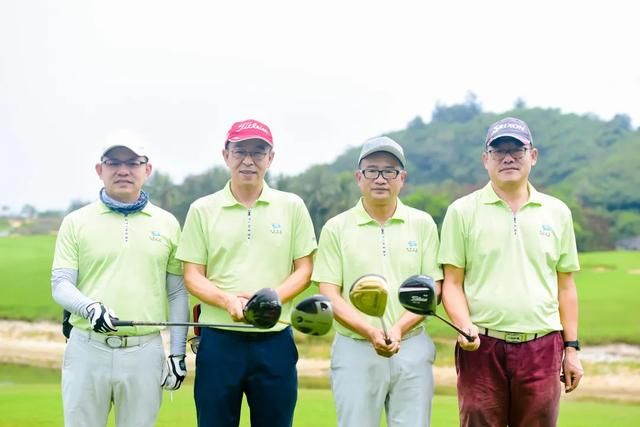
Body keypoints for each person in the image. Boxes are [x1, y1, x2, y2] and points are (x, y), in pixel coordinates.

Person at [439, 117, 584, 426]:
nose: (508, 158)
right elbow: (452, 283)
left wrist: (571, 349)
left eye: (517, 151)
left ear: (533, 156)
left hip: (542, 345)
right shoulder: (462, 211)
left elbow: (566, 285)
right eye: (499, 151)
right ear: (485, 159)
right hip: (481, 344)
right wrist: (463, 325)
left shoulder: (557, 212)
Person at [176, 119, 317, 427]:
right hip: (219, 342)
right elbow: (192, 275)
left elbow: (304, 269)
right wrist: (227, 301)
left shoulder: (291, 206)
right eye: (240, 151)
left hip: (274, 340)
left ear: (271, 158)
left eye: (258, 152)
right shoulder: (203, 209)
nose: (248, 160)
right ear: (225, 155)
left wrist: (268, 299)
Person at [51, 130, 190, 427]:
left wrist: (177, 354)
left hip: (144, 351)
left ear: (147, 170)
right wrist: (89, 307)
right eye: (114, 163)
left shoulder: (167, 224)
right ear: (100, 170)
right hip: (87, 348)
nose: (124, 170)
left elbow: (177, 293)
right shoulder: (76, 222)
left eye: (133, 162)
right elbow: (61, 283)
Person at [312, 136, 443, 427]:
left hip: (410, 345)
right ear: (359, 177)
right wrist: (371, 331)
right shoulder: (336, 227)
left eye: (390, 171)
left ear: (402, 178)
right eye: (372, 170)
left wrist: (397, 329)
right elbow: (330, 294)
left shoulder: (422, 224)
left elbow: (433, 289)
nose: (380, 178)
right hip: (355, 347)